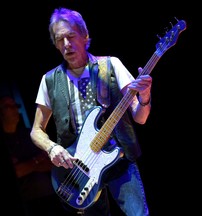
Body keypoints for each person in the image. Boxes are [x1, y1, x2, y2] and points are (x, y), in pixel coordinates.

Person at [30, 7, 152, 216]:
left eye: (71, 36)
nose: (66, 44)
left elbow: (140, 118)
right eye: (60, 39)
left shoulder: (111, 65)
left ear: (85, 36)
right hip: (79, 172)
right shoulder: (49, 80)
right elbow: (36, 131)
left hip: (118, 161)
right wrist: (51, 148)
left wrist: (146, 96)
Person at [0, 96, 68, 216]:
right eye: (8, 106)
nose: (15, 109)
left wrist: (28, 164)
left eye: (16, 106)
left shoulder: (29, 135)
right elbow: (17, 171)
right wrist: (37, 160)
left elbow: (49, 162)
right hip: (28, 202)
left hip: (50, 194)